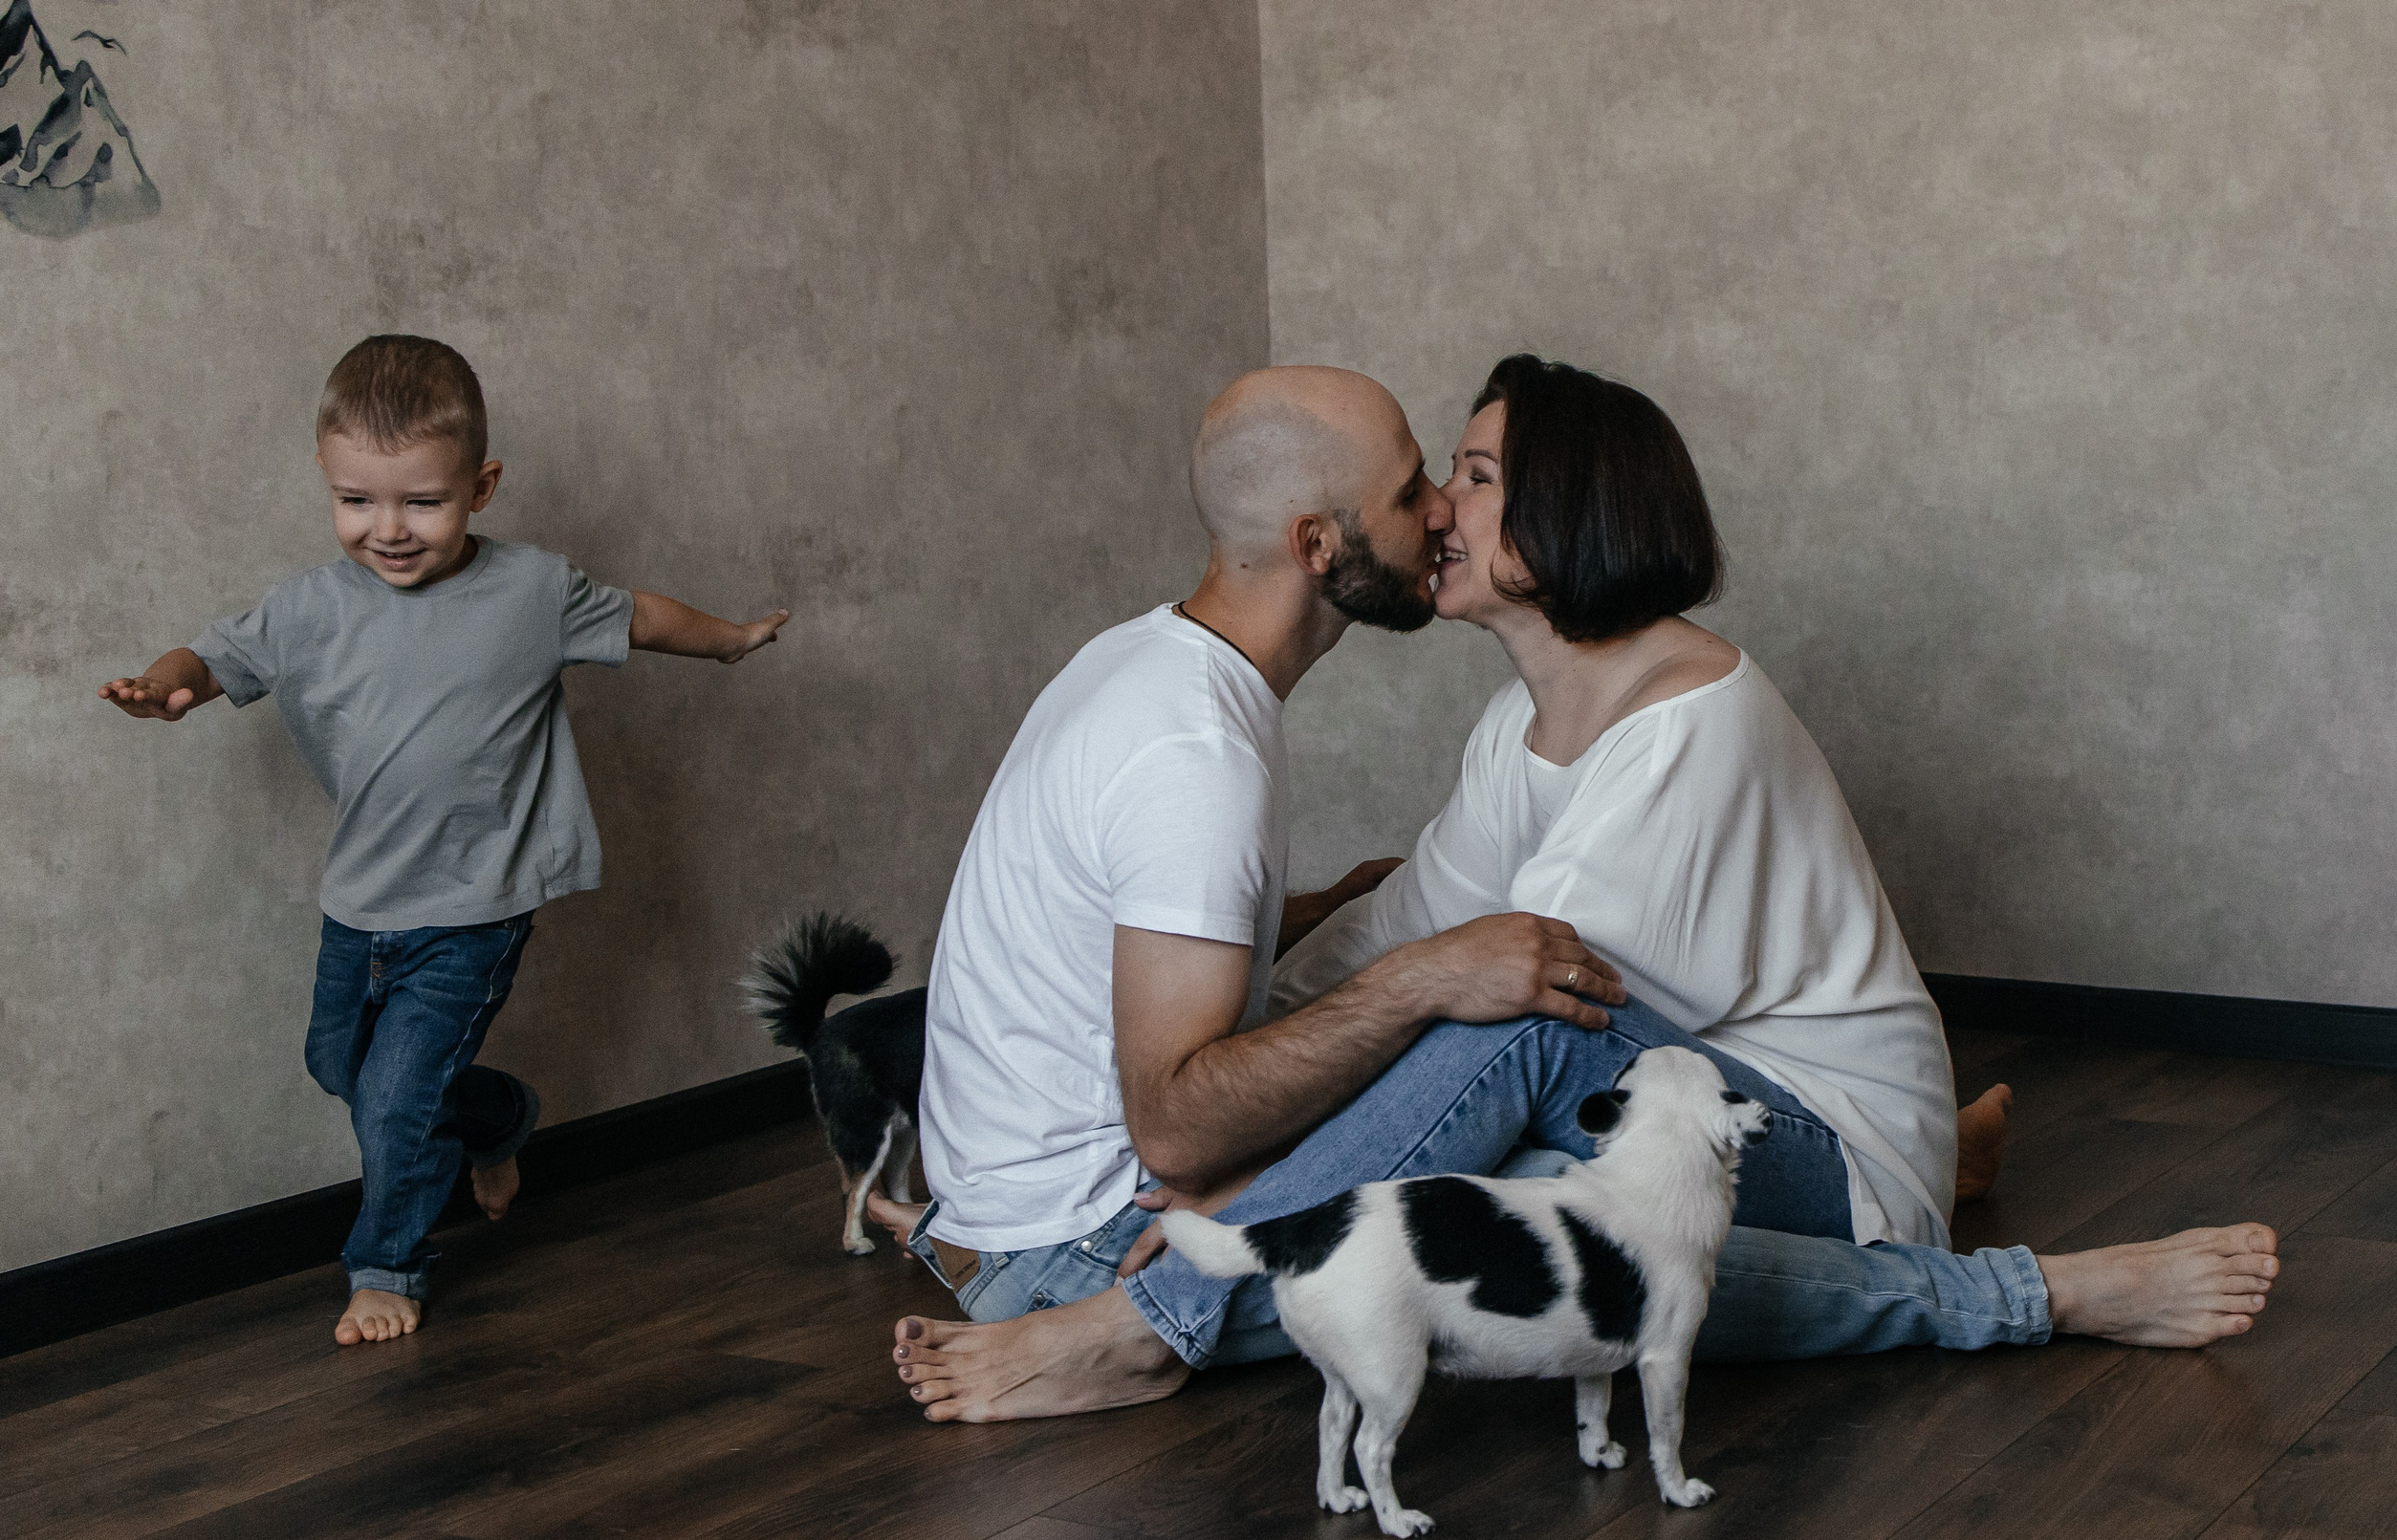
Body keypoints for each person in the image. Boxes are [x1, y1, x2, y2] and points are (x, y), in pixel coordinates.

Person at [880, 358, 2277, 1423]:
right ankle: (1964, 1198)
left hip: (1812, 1126)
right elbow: (1400, 935)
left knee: (1510, 1073)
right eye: (1434, 477)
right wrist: (1255, 1092)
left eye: (1472, 473)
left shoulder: (1692, 721)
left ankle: (1150, 1323)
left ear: (1569, 511)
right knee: (1524, 1211)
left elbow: (1497, 1012)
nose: (1438, 509)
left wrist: (1238, 1187)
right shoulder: (1517, 727)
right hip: (1696, 1103)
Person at [97, 335, 790, 1347]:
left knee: (391, 1102)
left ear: (483, 485)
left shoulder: (529, 592)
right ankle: (499, 1116)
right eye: (357, 501)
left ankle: (387, 1266)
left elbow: (640, 617)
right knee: (338, 1064)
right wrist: (167, 688)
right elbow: (211, 655)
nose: (388, 529)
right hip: (361, 898)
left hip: (476, 903)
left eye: (422, 501)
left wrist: (728, 639)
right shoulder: (306, 608)